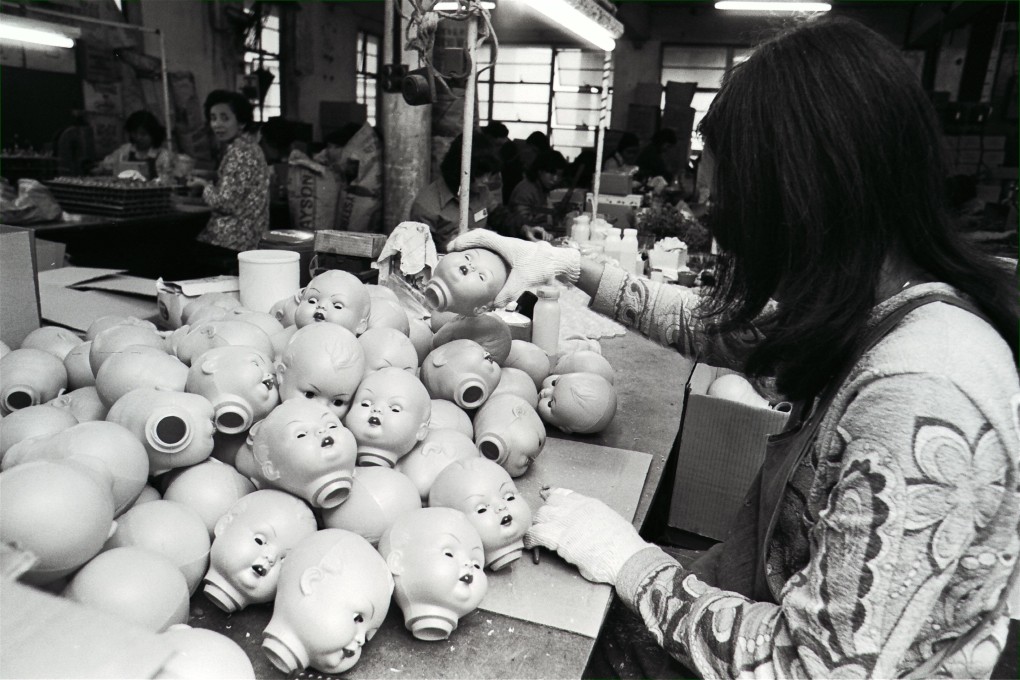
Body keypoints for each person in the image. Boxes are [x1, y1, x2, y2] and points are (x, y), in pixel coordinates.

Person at [447, 16, 1019, 679]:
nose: (722, 245)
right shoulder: (871, 306)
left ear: (803, 201)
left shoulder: (920, 391)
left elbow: (818, 669)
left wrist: (631, 564)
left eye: (731, 215)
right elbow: (714, 327)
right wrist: (563, 266)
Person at [188, 90, 270, 273]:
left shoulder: (239, 152)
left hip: (232, 240)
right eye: (213, 118)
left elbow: (225, 203)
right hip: (250, 238)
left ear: (241, 122)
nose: (217, 124)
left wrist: (204, 185)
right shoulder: (251, 147)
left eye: (225, 118)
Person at [409, 133, 530, 252]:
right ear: (458, 169)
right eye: (479, 174)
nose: (486, 181)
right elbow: (420, 254)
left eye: (489, 174)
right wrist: (449, 246)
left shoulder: (482, 191)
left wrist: (524, 229)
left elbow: (500, 217)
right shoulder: (426, 207)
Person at [93, 110, 174, 181]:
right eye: (135, 133)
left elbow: (169, 179)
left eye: (143, 134)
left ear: (153, 134)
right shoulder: (125, 151)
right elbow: (106, 166)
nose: (138, 137)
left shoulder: (163, 155)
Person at [507, 149, 567, 238]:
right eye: (551, 173)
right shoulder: (525, 190)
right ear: (540, 171)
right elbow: (521, 221)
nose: (555, 179)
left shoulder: (545, 188)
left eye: (559, 175)